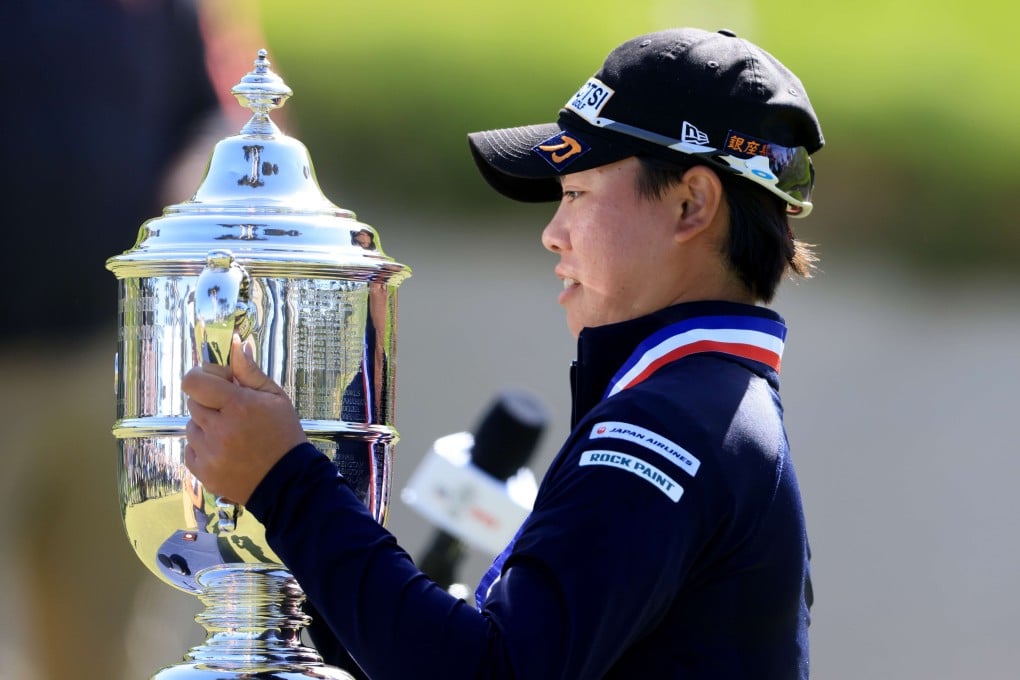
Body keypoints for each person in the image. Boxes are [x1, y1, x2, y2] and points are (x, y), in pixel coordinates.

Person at [182, 27, 823, 678]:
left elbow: (489, 672)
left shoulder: (665, 427)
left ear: (691, 204)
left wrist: (287, 484)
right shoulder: (704, 406)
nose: (553, 234)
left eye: (576, 194)